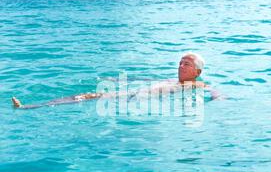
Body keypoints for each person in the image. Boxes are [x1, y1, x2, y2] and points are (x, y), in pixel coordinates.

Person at [12, 52, 221, 109]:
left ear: (197, 71)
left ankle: (29, 107)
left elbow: (214, 91)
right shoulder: (171, 79)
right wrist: (119, 78)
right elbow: (147, 77)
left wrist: (218, 99)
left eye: (186, 64)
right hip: (134, 93)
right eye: (180, 62)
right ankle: (32, 106)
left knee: (88, 96)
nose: (180, 66)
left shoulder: (197, 84)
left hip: (138, 98)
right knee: (86, 95)